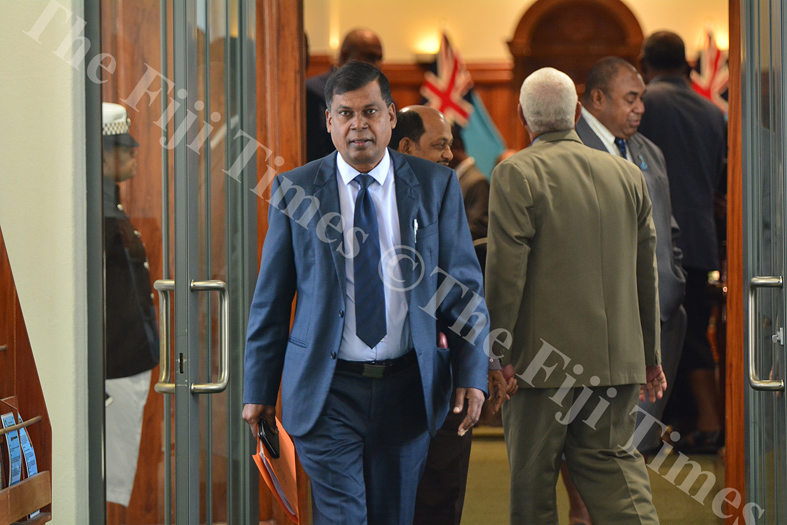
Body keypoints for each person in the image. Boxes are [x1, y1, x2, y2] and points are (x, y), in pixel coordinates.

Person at [243, 61, 490, 524]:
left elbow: (463, 291)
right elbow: (271, 300)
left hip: (407, 391)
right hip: (327, 390)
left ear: (392, 117)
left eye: (371, 111)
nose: (359, 125)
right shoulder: (295, 190)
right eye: (346, 114)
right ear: (330, 122)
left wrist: (472, 372)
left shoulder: (436, 186)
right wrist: (258, 387)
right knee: (344, 517)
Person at [486, 67, 664, 524]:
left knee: (534, 482)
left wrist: (497, 352)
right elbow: (647, 273)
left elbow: (507, 274)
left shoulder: (515, 173)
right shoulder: (628, 175)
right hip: (617, 359)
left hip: (539, 365)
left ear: (523, 115)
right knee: (618, 476)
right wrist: (650, 356)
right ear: (579, 112)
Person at [565, 55, 689, 524]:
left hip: (658, 320)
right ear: (596, 99)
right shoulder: (569, 150)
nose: (640, 108)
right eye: (630, 98)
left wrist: (672, 282)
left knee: (637, 441)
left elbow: (668, 230)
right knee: (593, 441)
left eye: (641, 97)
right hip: (600, 328)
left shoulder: (647, 151)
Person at [388, 104, 512, 525]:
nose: (449, 154)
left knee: (441, 499)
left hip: (446, 383)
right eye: (439, 145)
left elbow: (465, 291)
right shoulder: (363, 203)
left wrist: (485, 365)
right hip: (382, 385)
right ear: (405, 147)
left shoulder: (448, 196)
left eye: (449, 145)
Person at [638, 31, 727, 452]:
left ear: (645, 64)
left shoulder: (643, 103)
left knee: (656, 337)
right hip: (701, 240)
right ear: (686, 63)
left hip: (654, 240)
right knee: (694, 336)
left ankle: (669, 428)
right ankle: (703, 423)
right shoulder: (714, 111)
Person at [102, 102, 159, 507]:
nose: (134, 153)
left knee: (113, 482)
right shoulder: (100, 215)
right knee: (106, 481)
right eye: (125, 148)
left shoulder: (112, 208)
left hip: (126, 365)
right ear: (104, 155)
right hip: (114, 368)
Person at [306, 29, 384, 161]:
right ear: (345, 56)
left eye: (379, 58)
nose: (377, 65)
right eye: (370, 57)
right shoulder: (312, 91)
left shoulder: (384, 99)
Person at [447, 125, 490, 243]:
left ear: (457, 146)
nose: (442, 154)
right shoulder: (457, 177)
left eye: (443, 146)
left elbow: (478, 227)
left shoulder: (477, 181)